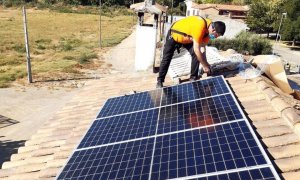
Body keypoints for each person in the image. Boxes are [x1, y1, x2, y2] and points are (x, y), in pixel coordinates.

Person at [156, 16, 226, 88]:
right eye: (217, 35)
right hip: (175, 35)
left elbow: (202, 48)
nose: (216, 37)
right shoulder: (200, 26)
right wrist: (204, 65)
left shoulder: (207, 33)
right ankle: (160, 81)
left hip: (188, 38)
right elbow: (196, 49)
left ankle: (193, 77)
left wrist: (206, 64)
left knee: (196, 55)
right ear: (213, 30)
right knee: (166, 58)